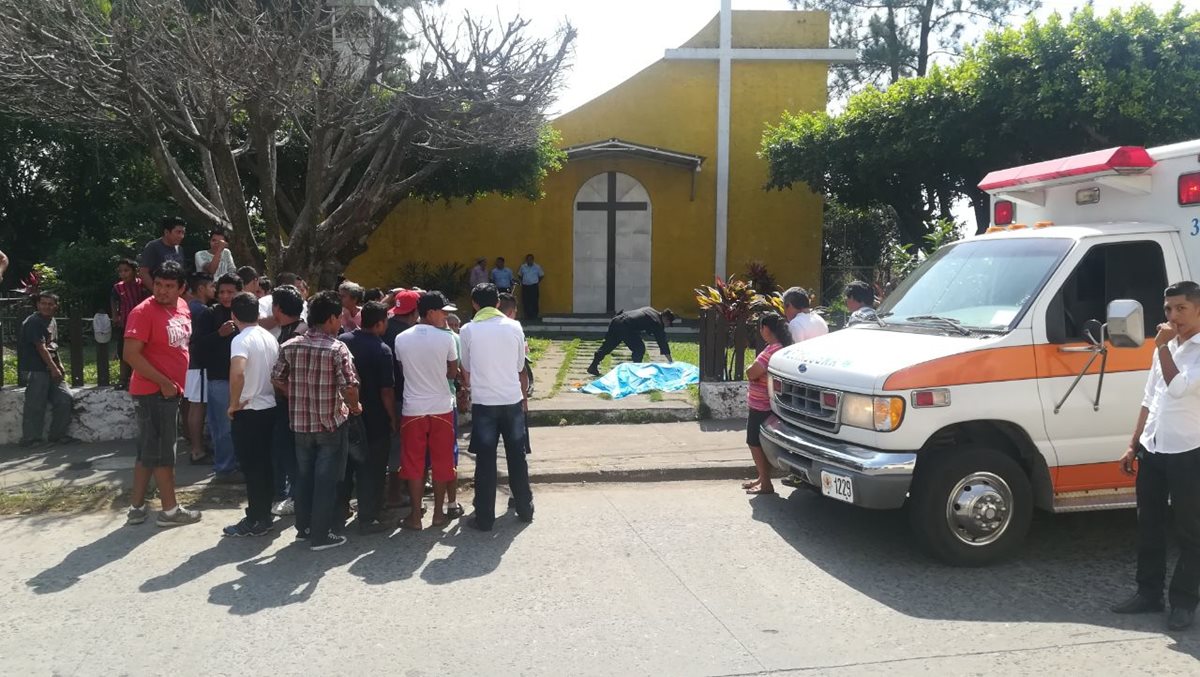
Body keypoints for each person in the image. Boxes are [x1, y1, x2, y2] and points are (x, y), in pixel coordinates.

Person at [1112, 281, 1200, 631]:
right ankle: (1148, 593)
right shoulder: (1165, 347)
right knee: (1148, 524)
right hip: (1155, 446)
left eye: (1181, 308)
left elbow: (1178, 389)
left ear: (1197, 309)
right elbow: (1151, 397)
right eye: (1167, 309)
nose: (1173, 316)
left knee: (1190, 530)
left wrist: (1163, 348)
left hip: (1188, 450)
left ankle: (1184, 602)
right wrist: (1134, 443)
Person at [272, 290, 362, 551]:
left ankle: (305, 528)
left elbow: (276, 377)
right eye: (339, 318)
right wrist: (354, 407)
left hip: (300, 425)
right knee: (326, 480)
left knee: (303, 477)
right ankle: (322, 535)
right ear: (332, 318)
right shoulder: (337, 349)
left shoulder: (290, 346)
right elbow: (350, 386)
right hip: (329, 425)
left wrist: (295, 393)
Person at [123, 261, 202, 528]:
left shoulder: (182, 307)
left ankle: (136, 507)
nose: (162, 291)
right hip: (153, 392)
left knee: (148, 451)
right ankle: (169, 511)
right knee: (162, 453)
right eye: (158, 284)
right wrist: (164, 382)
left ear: (181, 288)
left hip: (170, 391)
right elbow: (130, 355)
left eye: (169, 286)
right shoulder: (143, 312)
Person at [460, 283, 533, 530]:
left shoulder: (468, 330)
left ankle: (484, 517)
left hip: (484, 403)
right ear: (498, 303)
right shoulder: (514, 326)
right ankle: (525, 509)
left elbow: (466, 367)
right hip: (511, 399)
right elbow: (519, 364)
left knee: (485, 461)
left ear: (474, 303)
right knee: (517, 456)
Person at [393, 292, 459, 530]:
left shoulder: (401, 338)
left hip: (413, 408)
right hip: (441, 406)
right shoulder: (447, 339)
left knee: (414, 462)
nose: (445, 317)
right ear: (430, 313)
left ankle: (415, 516)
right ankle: (438, 514)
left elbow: (403, 370)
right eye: (443, 312)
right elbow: (452, 372)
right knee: (442, 460)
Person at [221, 292, 280, 537]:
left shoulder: (240, 339)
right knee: (265, 465)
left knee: (252, 467)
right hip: (270, 406)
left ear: (233, 316)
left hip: (249, 409)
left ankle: (257, 519)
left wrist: (233, 403)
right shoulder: (269, 337)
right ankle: (263, 513)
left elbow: (238, 373)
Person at [338, 301, 398, 534]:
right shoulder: (382, 350)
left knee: (346, 465)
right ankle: (368, 517)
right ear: (381, 322)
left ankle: (341, 510)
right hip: (374, 417)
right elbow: (387, 391)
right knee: (372, 469)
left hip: (345, 414)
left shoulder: (343, 341)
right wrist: (393, 418)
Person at [193, 272, 242, 481]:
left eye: (230, 292)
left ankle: (240, 464)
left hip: (243, 377)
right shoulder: (209, 314)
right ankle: (224, 468)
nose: (225, 296)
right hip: (219, 378)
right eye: (221, 292)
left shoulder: (247, 312)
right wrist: (218, 335)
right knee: (222, 427)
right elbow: (197, 346)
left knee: (242, 427)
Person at [743, 313, 793, 496]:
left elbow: (752, 373)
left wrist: (749, 367)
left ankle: (765, 483)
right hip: (768, 404)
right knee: (760, 443)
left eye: (761, 327)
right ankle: (762, 478)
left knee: (753, 442)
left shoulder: (772, 350)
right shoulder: (781, 348)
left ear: (766, 328)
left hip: (760, 405)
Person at [270, 284, 306, 517]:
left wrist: (285, 388)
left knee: (291, 452)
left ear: (278, 308)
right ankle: (290, 494)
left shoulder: (297, 334)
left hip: (294, 404)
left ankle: (297, 497)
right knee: (283, 450)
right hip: (286, 404)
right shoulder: (287, 330)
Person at [18, 292, 73, 447]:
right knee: (36, 403)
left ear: (56, 306)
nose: (46, 307)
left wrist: (59, 364)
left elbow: (52, 346)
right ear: (38, 304)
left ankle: (57, 435)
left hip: (50, 367)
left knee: (64, 398)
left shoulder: (51, 320)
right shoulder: (33, 322)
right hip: (36, 368)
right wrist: (53, 368)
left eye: (50, 304)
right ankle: (31, 439)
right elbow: (40, 347)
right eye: (43, 303)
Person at [586, 307, 676, 376]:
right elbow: (662, 342)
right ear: (666, 319)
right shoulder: (657, 322)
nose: (667, 326)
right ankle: (636, 372)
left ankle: (593, 366)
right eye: (668, 324)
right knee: (639, 348)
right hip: (626, 326)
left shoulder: (650, 309)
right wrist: (671, 362)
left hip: (616, 320)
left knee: (608, 346)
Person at [183, 273, 215, 464]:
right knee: (198, 406)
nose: (214, 290)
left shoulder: (188, 307)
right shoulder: (202, 310)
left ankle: (193, 443)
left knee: (192, 404)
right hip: (199, 364)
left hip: (190, 363)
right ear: (201, 288)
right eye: (212, 286)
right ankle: (197, 450)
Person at [111, 258, 150, 390]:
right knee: (123, 352)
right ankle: (123, 379)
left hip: (140, 324)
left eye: (126, 270)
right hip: (125, 323)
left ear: (135, 271)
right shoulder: (118, 287)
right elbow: (114, 301)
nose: (123, 274)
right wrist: (115, 316)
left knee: (140, 352)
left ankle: (136, 378)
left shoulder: (142, 285)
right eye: (120, 271)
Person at [138, 216, 187, 290]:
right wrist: (156, 291)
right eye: (178, 232)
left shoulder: (179, 249)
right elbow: (143, 273)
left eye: (183, 233)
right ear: (166, 232)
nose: (181, 236)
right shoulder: (153, 246)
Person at [517, 254, 545, 320]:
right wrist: (525, 281)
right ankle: (527, 316)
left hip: (534, 286)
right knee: (525, 301)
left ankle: (535, 315)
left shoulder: (537, 267)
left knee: (534, 301)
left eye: (530, 259)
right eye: (528, 259)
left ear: (533, 260)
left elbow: (541, 275)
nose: (529, 261)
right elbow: (520, 275)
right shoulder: (523, 267)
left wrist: (536, 281)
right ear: (526, 260)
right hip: (525, 286)